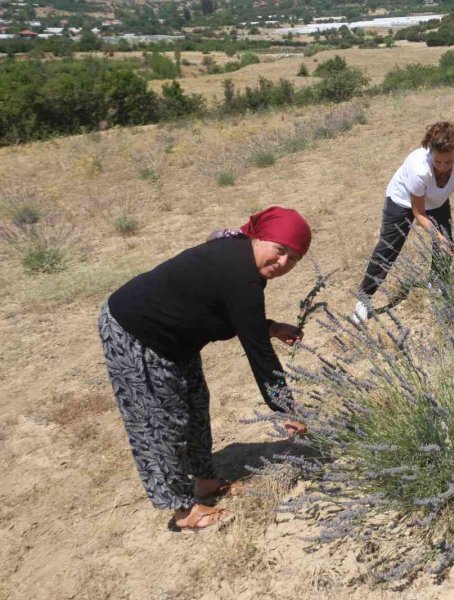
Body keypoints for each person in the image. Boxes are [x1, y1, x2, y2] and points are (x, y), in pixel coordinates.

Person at [98, 206, 310, 533]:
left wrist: (270, 326)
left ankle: (206, 483)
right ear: (259, 238)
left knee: (195, 407)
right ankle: (183, 511)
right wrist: (286, 408)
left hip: (176, 339)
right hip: (136, 330)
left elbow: (233, 314)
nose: (283, 263)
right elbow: (259, 353)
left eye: (293, 258)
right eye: (280, 250)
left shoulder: (245, 264)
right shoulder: (239, 273)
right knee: (158, 422)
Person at [353, 121, 454, 323]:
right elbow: (419, 213)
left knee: (447, 245)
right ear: (430, 152)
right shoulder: (419, 169)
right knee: (389, 247)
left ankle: (437, 286)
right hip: (402, 201)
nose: (443, 168)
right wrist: (437, 236)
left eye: (448, 162)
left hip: (437, 200)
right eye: (438, 162)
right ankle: (364, 299)